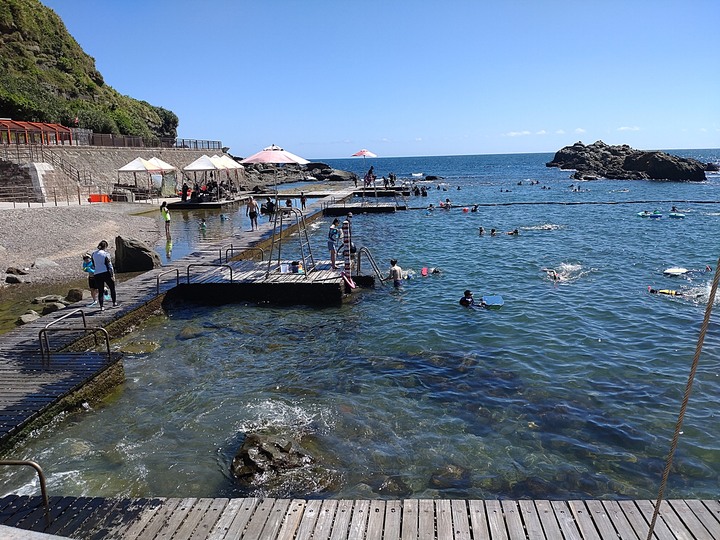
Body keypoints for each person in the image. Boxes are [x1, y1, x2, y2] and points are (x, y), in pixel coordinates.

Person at [91, 240, 116, 311]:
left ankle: (101, 306)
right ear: (105, 246)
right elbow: (109, 265)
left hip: (97, 274)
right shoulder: (106, 254)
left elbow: (93, 265)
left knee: (100, 291)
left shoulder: (93, 254)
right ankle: (114, 302)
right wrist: (112, 275)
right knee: (112, 288)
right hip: (105, 272)